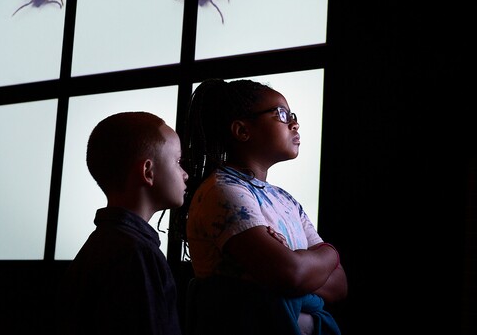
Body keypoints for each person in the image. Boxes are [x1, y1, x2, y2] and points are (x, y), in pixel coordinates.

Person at [171, 78, 347, 335]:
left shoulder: (286, 200)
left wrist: (298, 271)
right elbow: (291, 274)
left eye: (293, 115)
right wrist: (329, 254)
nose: (294, 123)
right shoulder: (222, 191)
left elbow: (339, 285)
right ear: (242, 131)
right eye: (281, 114)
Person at [56, 111, 189, 335]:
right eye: (177, 161)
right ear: (148, 171)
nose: (185, 174)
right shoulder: (136, 253)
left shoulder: (103, 243)